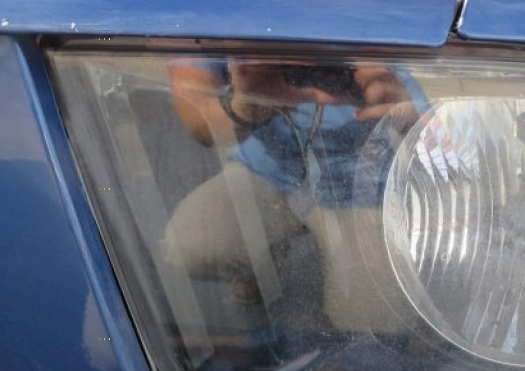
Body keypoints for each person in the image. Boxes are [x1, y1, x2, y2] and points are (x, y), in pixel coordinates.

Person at [161, 57, 423, 331]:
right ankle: (271, 264)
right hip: (270, 165)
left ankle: (291, 263)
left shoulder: (383, 20)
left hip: (362, 181)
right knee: (190, 247)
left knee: (376, 325)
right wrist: (247, 107)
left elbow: (429, 135)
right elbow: (200, 124)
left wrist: (399, 109)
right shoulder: (223, 17)